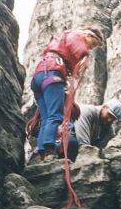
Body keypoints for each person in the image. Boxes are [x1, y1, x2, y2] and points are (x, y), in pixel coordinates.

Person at [29, 27, 103, 161]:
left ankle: (41, 152)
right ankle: (49, 149)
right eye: (92, 44)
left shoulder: (63, 39)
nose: (90, 48)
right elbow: (79, 47)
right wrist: (85, 56)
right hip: (52, 74)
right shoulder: (75, 35)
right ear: (88, 35)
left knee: (46, 118)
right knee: (55, 115)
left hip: (39, 77)